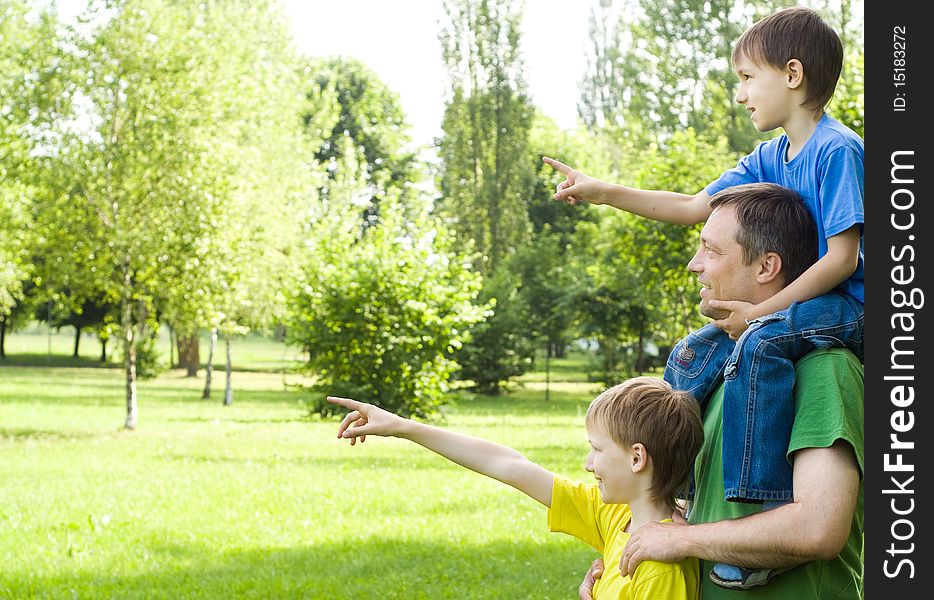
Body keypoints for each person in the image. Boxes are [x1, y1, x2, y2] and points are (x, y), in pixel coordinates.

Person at [544, 6, 863, 588]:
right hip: (781, 307)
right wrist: (604, 191)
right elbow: (694, 206)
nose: (740, 94)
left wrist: (763, 312)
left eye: (747, 78)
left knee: (761, 343)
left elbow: (841, 258)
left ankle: (754, 507)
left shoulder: (837, 151)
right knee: (692, 352)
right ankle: (678, 490)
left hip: (840, 306)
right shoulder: (768, 158)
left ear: (792, 74)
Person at [580, 184, 863, 599]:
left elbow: (819, 528)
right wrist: (623, 571)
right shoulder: (721, 371)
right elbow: (700, 512)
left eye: (711, 251)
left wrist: (683, 540)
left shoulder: (825, 370)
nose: (695, 265)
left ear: (767, 266)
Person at [327, 376, 704, 599]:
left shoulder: (659, 568)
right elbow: (509, 466)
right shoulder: (617, 516)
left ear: (637, 458)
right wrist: (403, 427)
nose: (588, 464)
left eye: (597, 449)